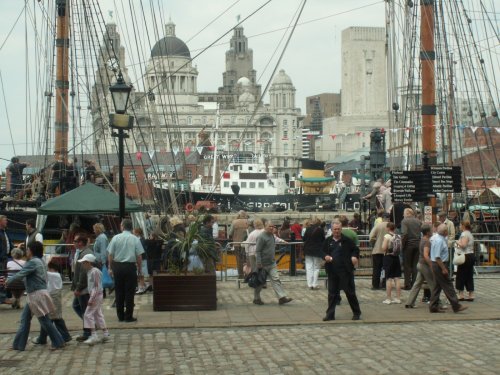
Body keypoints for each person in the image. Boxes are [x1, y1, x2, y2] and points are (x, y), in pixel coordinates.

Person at [4, 241, 65, 351]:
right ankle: (18, 345)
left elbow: (21, 274)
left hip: (35, 295)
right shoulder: (40, 261)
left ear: (31, 251)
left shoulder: (32, 262)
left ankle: (58, 341)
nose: (26, 251)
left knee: (44, 320)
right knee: (26, 319)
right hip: (37, 294)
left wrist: (8, 281)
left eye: (27, 249)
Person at [321, 220, 361, 321]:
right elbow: (322, 251)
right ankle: (330, 314)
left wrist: (354, 256)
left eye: (338, 229)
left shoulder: (346, 240)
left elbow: (355, 250)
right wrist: (325, 256)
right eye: (335, 229)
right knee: (332, 294)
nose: (337, 231)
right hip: (332, 271)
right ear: (331, 230)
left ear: (341, 229)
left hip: (345, 271)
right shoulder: (328, 241)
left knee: (350, 293)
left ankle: (356, 312)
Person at [107, 218, 144, 322]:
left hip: (117, 266)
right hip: (130, 267)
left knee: (119, 291)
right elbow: (139, 256)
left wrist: (110, 267)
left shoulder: (115, 238)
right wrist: (140, 269)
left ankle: (120, 316)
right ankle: (128, 316)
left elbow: (110, 254)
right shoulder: (135, 239)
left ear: (122, 226)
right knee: (129, 292)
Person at [429, 224, 467, 314]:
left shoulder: (437, 238)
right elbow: (438, 257)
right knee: (448, 285)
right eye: (447, 230)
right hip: (439, 264)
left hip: (438, 264)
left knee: (437, 287)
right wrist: (443, 268)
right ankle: (456, 305)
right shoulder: (439, 241)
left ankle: (433, 306)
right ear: (445, 232)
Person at [32, 261, 72, 345]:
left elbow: (44, 273)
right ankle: (43, 338)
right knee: (50, 318)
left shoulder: (55, 275)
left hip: (53, 297)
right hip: (52, 296)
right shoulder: (55, 275)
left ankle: (64, 336)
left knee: (53, 318)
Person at [253, 220, 292, 306]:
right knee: (260, 282)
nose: (272, 228)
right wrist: (259, 262)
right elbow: (258, 251)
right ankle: (256, 298)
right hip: (263, 264)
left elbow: (277, 239)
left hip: (271, 263)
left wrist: (284, 242)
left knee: (276, 279)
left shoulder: (272, 235)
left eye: (273, 226)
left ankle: (281, 297)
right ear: (265, 227)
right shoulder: (261, 237)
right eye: (270, 226)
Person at [78, 253, 110, 345]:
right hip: (96, 295)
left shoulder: (94, 271)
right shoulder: (91, 271)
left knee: (88, 314)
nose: (83, 264)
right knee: (97, 314)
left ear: (88, 263)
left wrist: (91, 299)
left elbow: (96, 287)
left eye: (84, 262)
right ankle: (105, 333)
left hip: (95, 295)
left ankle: (94, 335)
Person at [405, 224, 435, 308]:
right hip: (424, 265)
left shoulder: (422, 239)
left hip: (420, 264)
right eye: (431, 230)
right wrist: (431, 265)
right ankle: (436, 302)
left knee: (417, 284)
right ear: (428, 232)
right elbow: (426, 255)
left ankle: (409, 302)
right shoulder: (427, 241)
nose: (432, 231)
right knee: (433, 284)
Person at [71, 234, 93, 342]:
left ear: (80, 242)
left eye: (75, 241)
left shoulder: (85, 254)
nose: (73, 243)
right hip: (81, 286)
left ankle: (87, 331)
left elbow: (83, 273)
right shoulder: (81, 253)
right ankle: (90, 326)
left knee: (85, 310)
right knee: (76, 305)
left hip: (84, 288)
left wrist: (78, 287)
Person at [400, 208, 422, 289]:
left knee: (407, 265)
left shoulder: (404, 221)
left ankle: (407, 284)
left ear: (407, 213)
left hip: (408, 245)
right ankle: (415, 284)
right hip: (417, 244)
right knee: (415, 265)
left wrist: (402, 244)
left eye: (404, 213)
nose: (403, 215)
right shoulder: (418, 221)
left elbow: (404, 233)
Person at [381, 222, 402, 304]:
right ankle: (398, 298)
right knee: (397, 278)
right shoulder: (398, 236)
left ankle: (388, 298)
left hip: (388, 258)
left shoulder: (387, 236)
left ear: (388, 228)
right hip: (396, 258)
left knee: (388, 278)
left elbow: (383, 248)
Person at [302, 217, 325, 290]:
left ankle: (309, 284)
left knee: (309, 267)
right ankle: (314, 284)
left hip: (308, 250)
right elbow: (323, 240)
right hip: (317, 251)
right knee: (316, 267)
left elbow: (304, 239)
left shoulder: (308, 229)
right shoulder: (321, 230)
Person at [455, 221, 475, 302]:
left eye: (460, 225)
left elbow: (463, 245)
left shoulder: (464, 234)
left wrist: (457, 241)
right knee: (469, 275)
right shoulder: (470, 233)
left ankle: (460, 294)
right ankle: (471, 294)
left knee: (461, 274)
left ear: (463, 226)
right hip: (471, 255)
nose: (459, 226)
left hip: (465, 256)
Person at [369, 213, 389, 290]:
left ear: (382, 218)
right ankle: (385, 284)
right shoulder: (391, 226)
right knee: (386, 268)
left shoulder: (378, 225)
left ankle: (375, 285)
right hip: (388, 251)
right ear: (388, 218)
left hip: (377, 250)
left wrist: (374, 242)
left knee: (376, 269)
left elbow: (371, 236)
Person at [228, 210, 249, 278]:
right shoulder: (248, 222)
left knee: (239, 260)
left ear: (238, 215)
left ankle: (240, 275)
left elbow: (230, 233)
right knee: (246, 260)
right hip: (247, 244)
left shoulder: (234, 222)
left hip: (237, 244)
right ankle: (247, 275)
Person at [133, 227, 150, 294]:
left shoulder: (140, 240)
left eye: (134, 232)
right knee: (140, 273)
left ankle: (142, 287)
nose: (133, 233)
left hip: (141, 259)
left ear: (137, 233)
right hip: (141, 258)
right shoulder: (140, 239)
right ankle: (144, 285)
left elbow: (141, 251)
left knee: (140, 274)